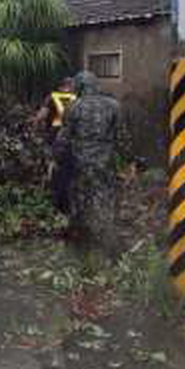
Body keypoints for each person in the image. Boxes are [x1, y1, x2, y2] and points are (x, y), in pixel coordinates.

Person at [58, 70, 121, 256]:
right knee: (106, 200)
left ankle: (79, 246)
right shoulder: (114, 106)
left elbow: (64, 138)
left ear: (79, 86)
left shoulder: (73, 107)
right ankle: (107, 245)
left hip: (80, 165)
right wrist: (127, 162)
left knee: (79, 202)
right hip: (105, 164)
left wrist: (56, 159)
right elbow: (123, 138)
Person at [33, 77, 77, 213]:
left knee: (53, 165)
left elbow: (41, 116)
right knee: (69, 168)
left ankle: (52, 195)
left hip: (54, 136)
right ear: (71, 86)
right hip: (72, 138)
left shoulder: (52, 97)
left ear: (60, 86)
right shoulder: (77, 98)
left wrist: (36, 127)